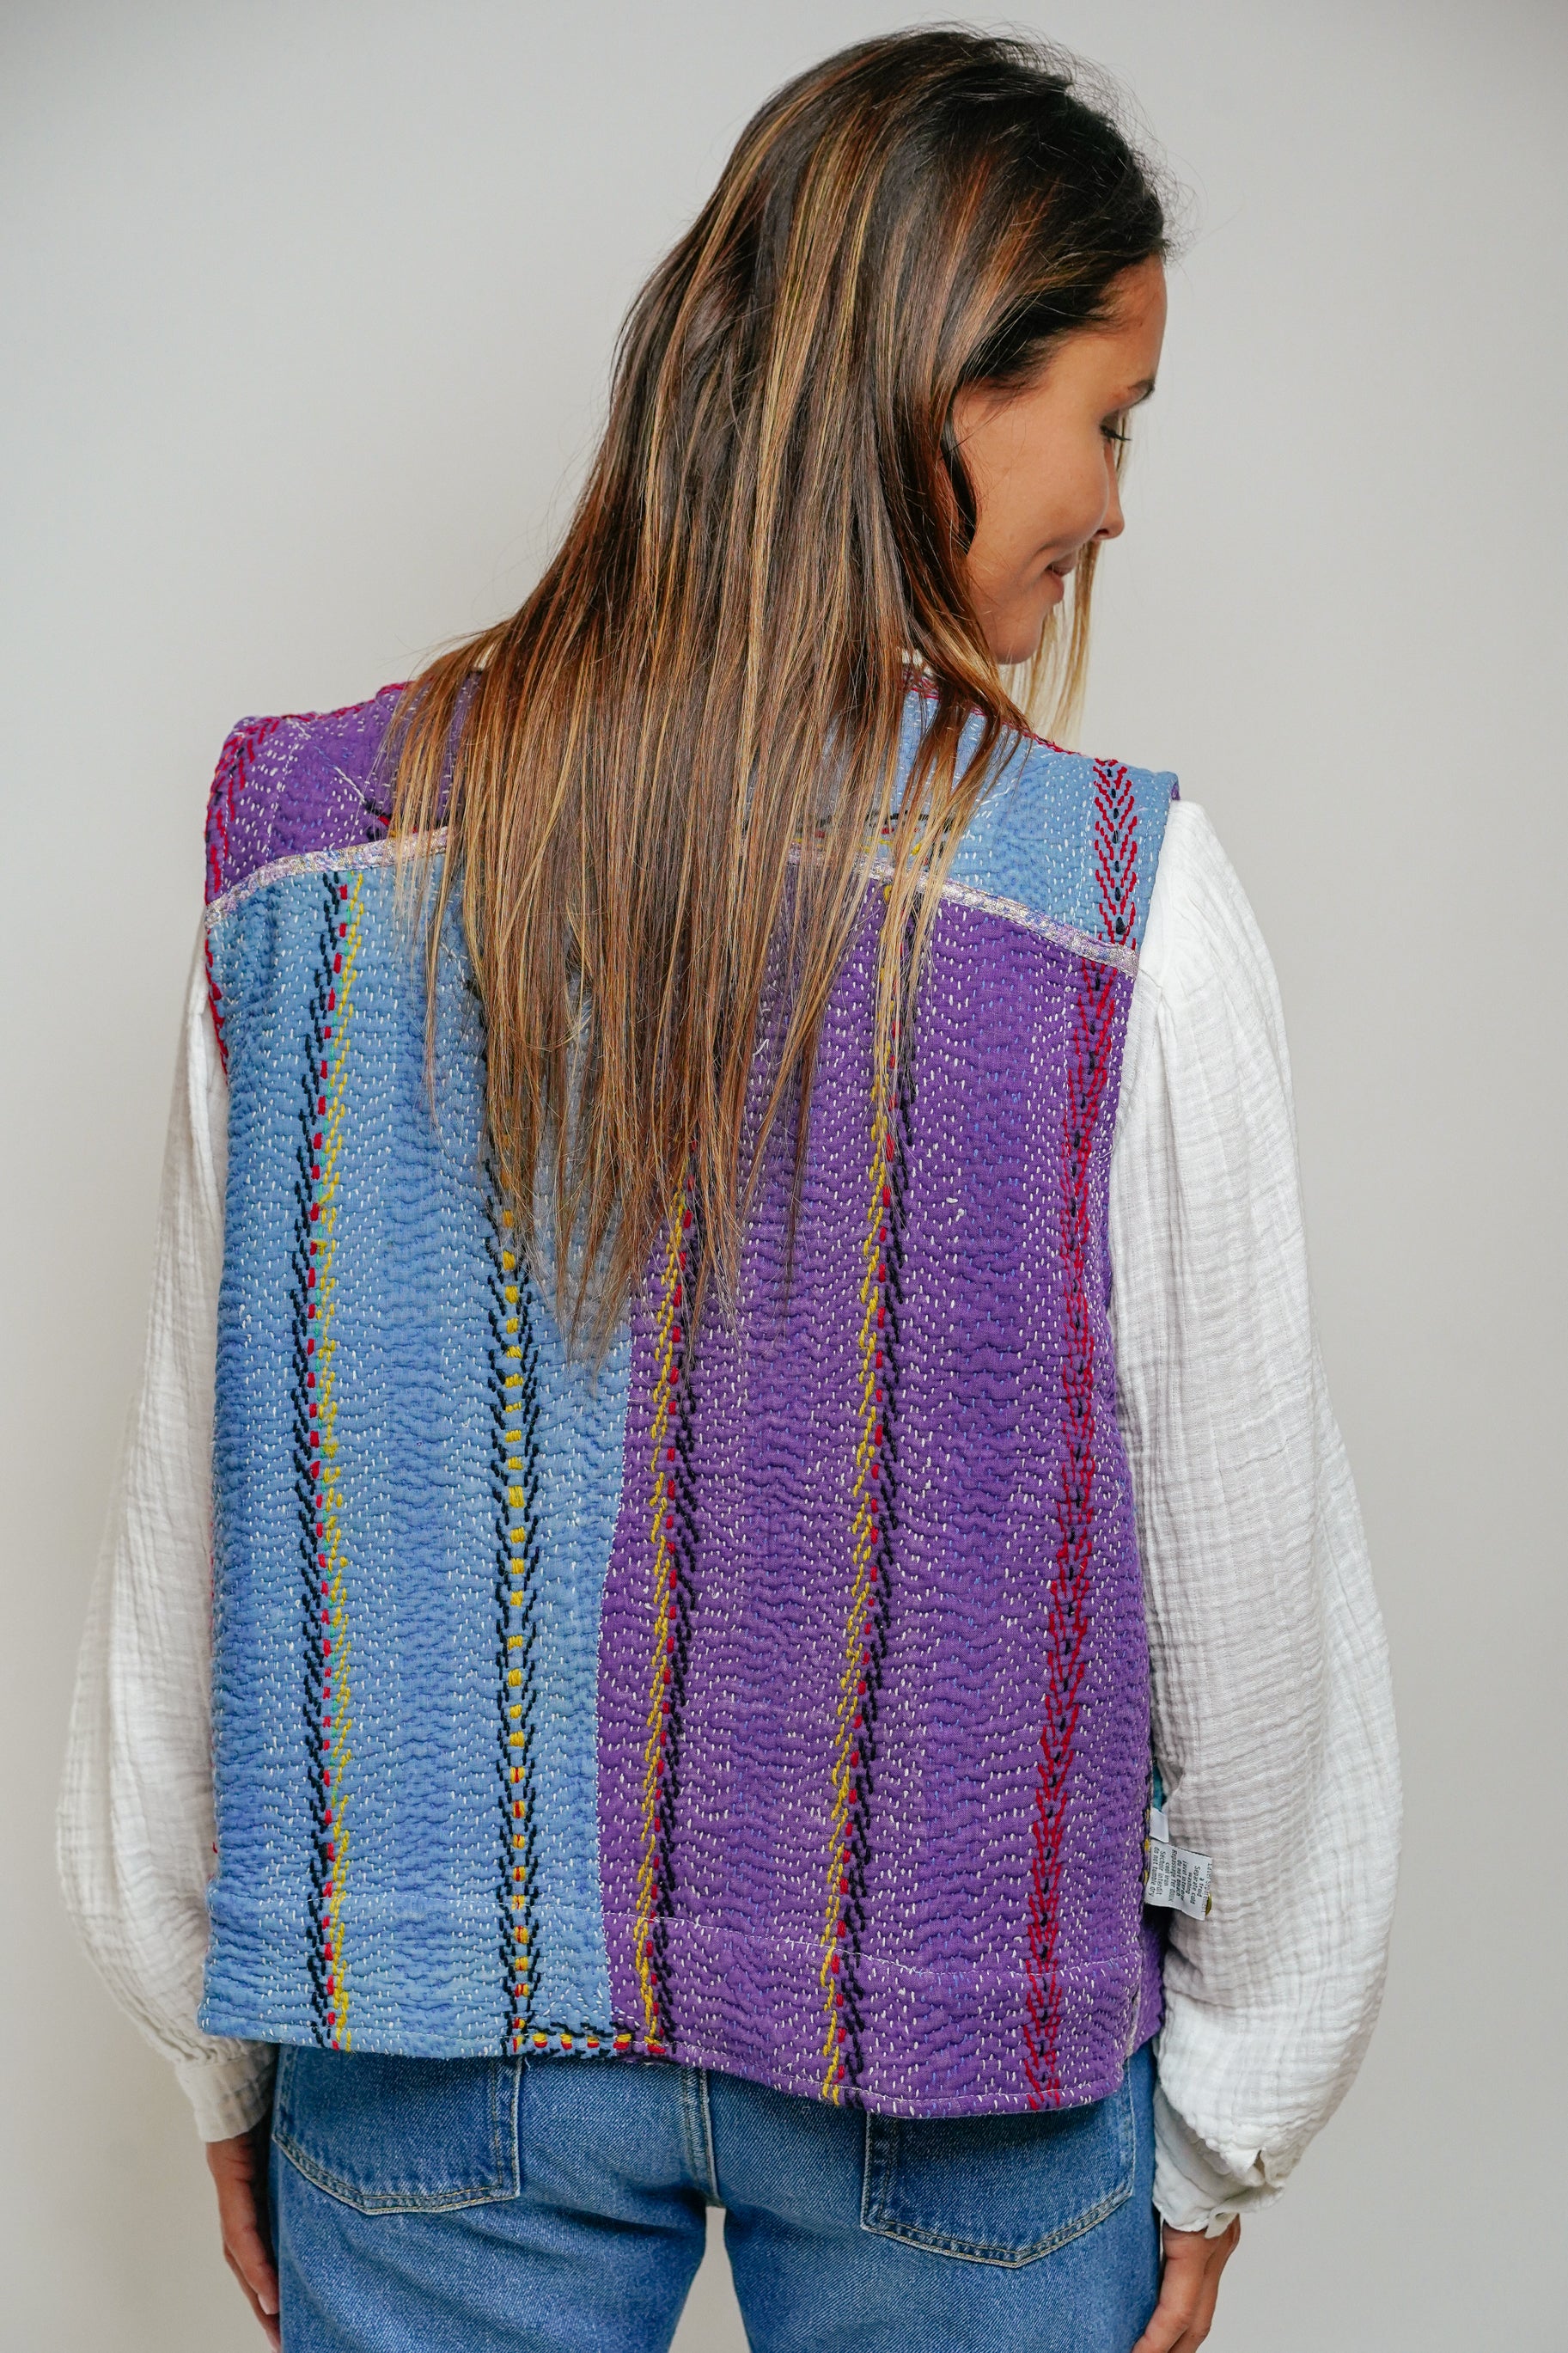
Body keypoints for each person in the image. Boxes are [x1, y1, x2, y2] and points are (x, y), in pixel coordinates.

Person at [58, 28, 1399, 2353]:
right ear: (941, 387)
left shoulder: (303, 861)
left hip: (420, 2010)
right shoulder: (1109, 907)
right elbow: (1247, 1573)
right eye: (1108, 418)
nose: (1113, 501)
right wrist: (1235, 2110)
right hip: (954, 2042)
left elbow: (207, 1487)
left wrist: (216, 2024)